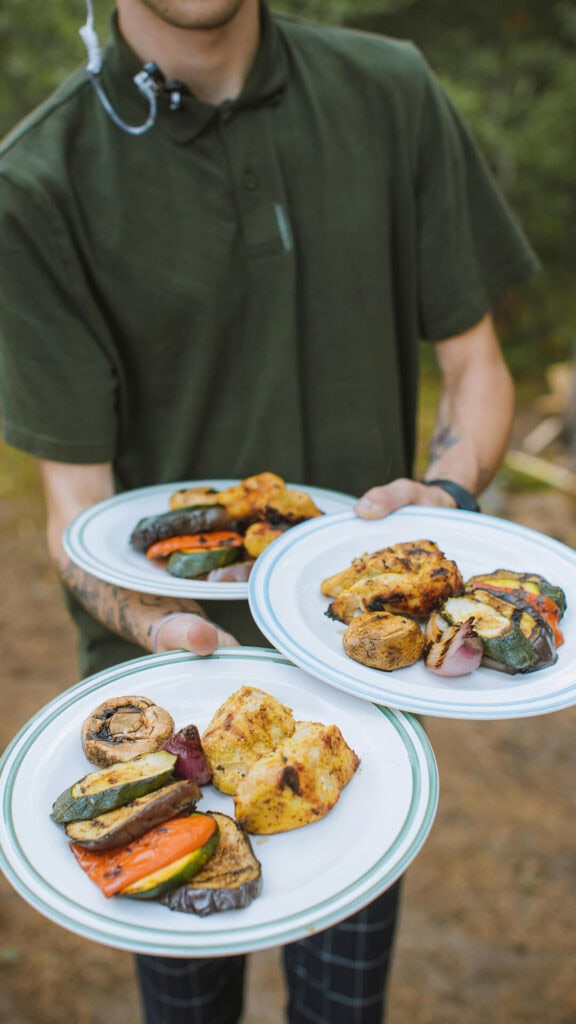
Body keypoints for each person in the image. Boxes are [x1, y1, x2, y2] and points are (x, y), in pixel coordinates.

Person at [0, 0, 539, 1021]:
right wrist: (158, 622)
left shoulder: (390, 91)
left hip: (353, 697)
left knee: (343, 1009)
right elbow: (75, 504)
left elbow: (475, 370)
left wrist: (451, 492)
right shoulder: (37, 180)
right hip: (160, 728)